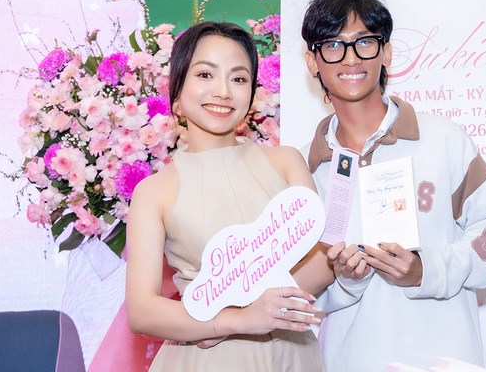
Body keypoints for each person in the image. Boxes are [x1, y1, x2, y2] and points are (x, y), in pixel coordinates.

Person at [300, 0, 486, 371]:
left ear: (385, 52)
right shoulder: (305, 167)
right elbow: (298, 292)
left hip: (444, 357)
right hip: (349, 360)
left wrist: (426, 269)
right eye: (333, 45)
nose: (351, 58)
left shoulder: (442, 139)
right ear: (312, 60)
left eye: (364, 42)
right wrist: (347, 279)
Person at [125, 21, 334, 371]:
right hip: (207, 358)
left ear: (252, 93)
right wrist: (235, 320)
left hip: (292, 355)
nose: (222, 91)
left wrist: (247, 311)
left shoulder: (285, 162)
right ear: (177, 90)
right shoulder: (153, 192)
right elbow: (141, 310)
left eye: (238, 78)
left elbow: (322, 260)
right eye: (205, 75)